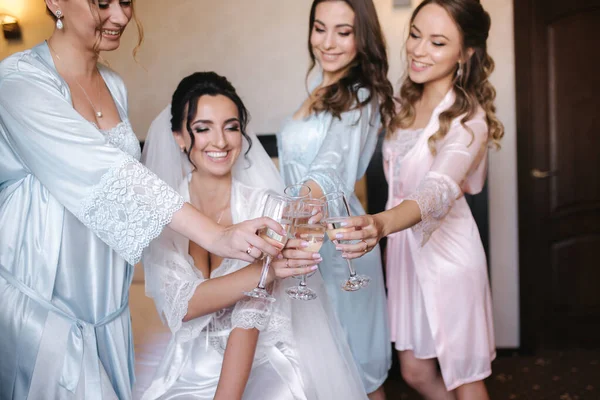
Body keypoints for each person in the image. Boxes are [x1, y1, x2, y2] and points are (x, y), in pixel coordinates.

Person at [0, 2, 285, 399]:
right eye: (103, 3)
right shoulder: (19, 82)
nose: (120, 17)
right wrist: (217, 236)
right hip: (42, 300)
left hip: (105, 307)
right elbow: (105, 172)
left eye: (126, 1)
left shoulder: (113, 84)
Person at [140, 71, 368, 400]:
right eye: (203, 128)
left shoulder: (266, 206)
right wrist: (268, 268)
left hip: (262, 358)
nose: (220, 141)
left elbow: (252, 311)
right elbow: (183, 306)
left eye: (231, 127)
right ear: (179, 136)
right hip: (191, 362)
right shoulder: (166, 213)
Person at [336, 1, 503, 398]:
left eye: (438, 42)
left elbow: (438, 189)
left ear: (466, 53)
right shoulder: (401, 104)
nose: (418, 49)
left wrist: (380, 224)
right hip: (406, 257)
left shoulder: (469, 120)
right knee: (413, 371)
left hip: (449, 258)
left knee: (465, 375)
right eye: (415, 34)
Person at [276, 1, 395, 398]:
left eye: (343, 32)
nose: (327, 43)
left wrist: (291, 209)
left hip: (343, 246)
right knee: (322, 372)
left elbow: (330, 166)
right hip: (305, 245)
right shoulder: (319, 91)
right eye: (319, 28)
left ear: (362, 37)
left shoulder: (360, 94)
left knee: (358, 371)